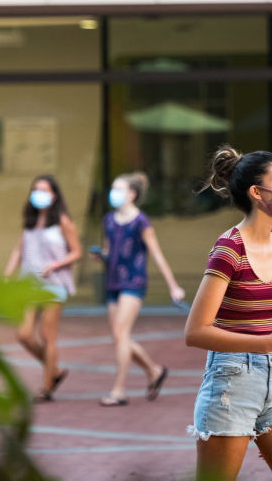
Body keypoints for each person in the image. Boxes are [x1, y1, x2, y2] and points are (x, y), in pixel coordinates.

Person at [184, 146, 272, 481]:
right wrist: (269, 342)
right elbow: (195, 332)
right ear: (257, 192)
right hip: (230, 384)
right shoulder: (229, 249)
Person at [93, 172, 185, 406]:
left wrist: (173, 285)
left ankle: (119, 391)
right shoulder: (109, 220)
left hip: (133, 282)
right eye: (113, 188)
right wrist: (101, 257)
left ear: (132, 194)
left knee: (122, 335)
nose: (113, 193)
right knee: (118, 337)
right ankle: (154, 371)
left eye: (119, 189)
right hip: (112, 282)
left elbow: (156, 254)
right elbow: (108, 250)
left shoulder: (141, 221)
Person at [4, 174, 82, 402]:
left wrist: (56, 264)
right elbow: (18, 250)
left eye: (44, 190)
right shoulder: (29, 221)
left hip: (54, 284)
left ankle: (46, 388)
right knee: (24, 335)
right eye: (35, 189)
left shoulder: (64, 222)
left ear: (54, 195)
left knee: (47, 336)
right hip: (29, 284)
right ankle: (54, 370)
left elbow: (76, 251)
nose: (39, 194)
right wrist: (8, 275)